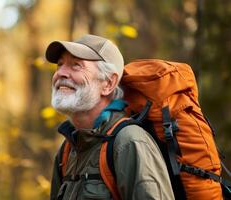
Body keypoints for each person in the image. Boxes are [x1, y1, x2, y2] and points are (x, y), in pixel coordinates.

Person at [45, 34, 175, 200]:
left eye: (76, 65)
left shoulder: (129, 142)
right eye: (60, 65)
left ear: (108, 83)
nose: (60, 73)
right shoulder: (67, 150)